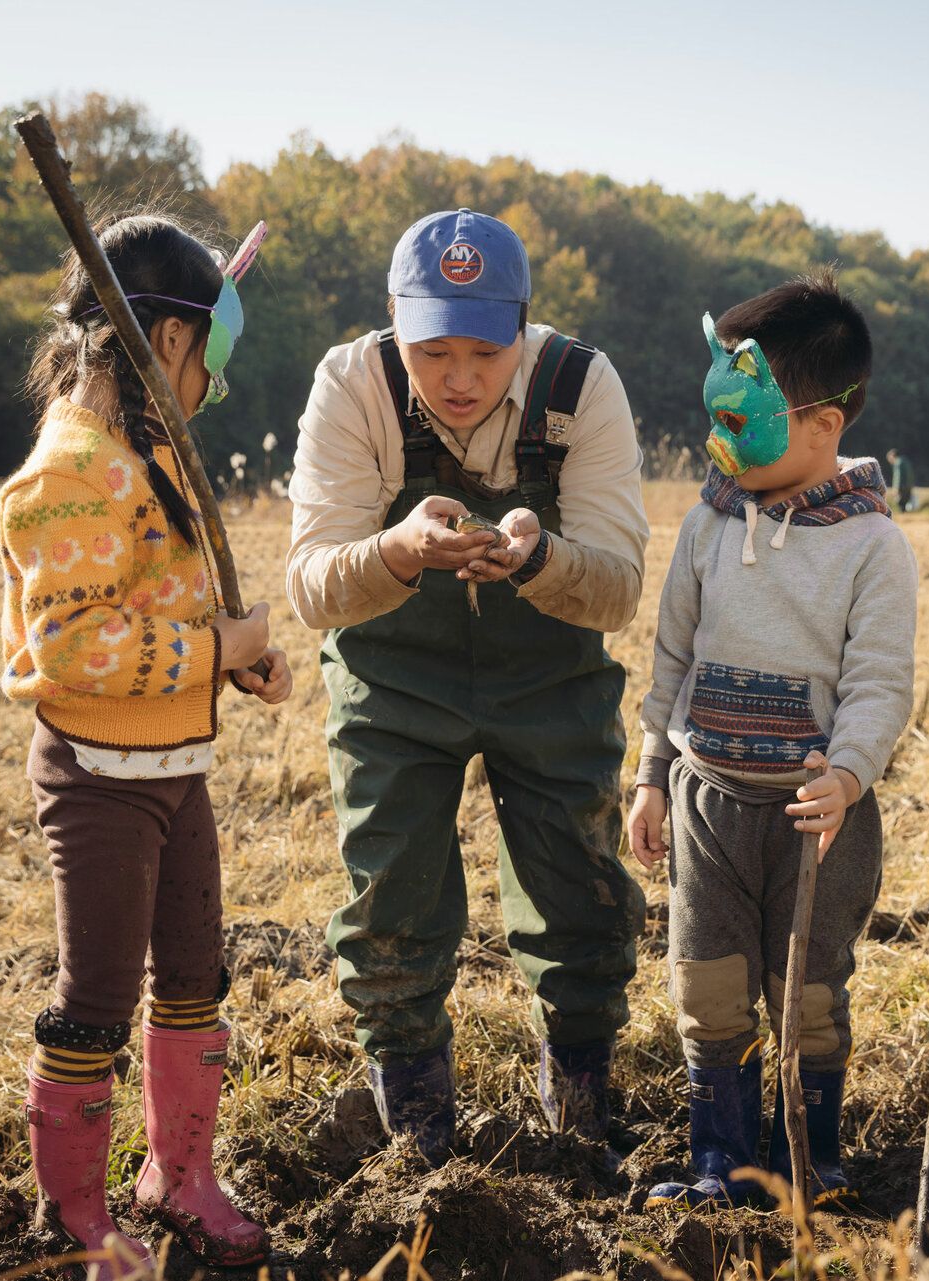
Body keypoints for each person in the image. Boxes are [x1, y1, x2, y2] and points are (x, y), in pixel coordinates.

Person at [285, 209, 649, 1164]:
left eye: (483, 352)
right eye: (429, 349)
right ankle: (417, 1143)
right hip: (391, 681)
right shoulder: (352, 384)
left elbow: (616, 588)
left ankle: (578, 1120)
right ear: (393, 328)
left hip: (552, 674)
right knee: (390, 899)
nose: (456, 378)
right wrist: (400, 548)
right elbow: (312, 583)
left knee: (582, 898)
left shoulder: (581, 385)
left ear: (522, 332)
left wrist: (541, 559)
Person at [0, 213, 292, 1272]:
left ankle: (181, 1174)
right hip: (101, 782)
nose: (216, 377)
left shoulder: (151, 448)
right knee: (96, 1001)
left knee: (196, 976)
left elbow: (166, 594)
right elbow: (79, 647)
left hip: (178, 769)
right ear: (170, 340)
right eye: (213, 353)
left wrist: (239, 659)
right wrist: (218, 645)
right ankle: (71, 1210)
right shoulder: (68, 473)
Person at [629, 272, 917, 1208]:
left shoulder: (873, 546)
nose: (719, 440)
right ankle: (719, 1159)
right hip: (706, 803)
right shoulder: (708, 521)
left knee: (808, 993)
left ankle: (810, 1158)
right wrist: (649, 776)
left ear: (822, 424)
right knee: (707, 986)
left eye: (742, 419)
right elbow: (670, 654)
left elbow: (879, 682)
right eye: (714, 414)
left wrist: (848, 773)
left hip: (814, 819)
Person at [886, 446, 916, 512]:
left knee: (900, 503)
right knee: (905, 503)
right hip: (909, 485)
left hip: (902, 486)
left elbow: (898, 476)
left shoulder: (898, 463)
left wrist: (896, 488)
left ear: (893, 455)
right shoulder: (905, 461)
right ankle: (906, 517)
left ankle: (903, 518)